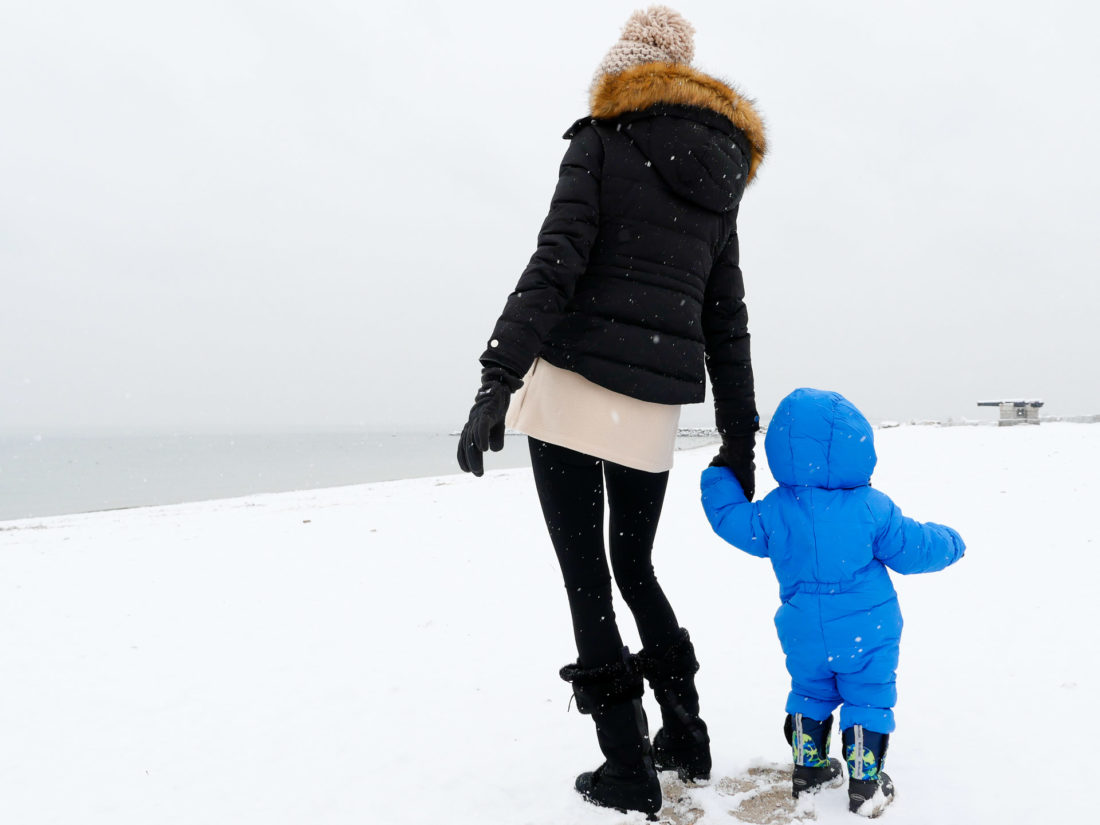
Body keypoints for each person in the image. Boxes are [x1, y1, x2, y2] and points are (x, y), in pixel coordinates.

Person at [455, 5, 766, 816]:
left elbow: (555, 262)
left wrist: (499, 374)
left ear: (621, 68)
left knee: (588, 575)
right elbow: (724, 314)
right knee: (634, 564)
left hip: (570, 388)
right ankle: (686, 732)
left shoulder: (600, 140)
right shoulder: (720, 175)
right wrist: (740, 435)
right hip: (655, 404)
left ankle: (627, 765)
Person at [700, 388, 965, 817]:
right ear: (855, 444)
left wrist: (717, 478)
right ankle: (865, 782)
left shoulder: (776, 510)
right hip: (868, 629)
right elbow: (914, 548)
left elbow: (732, 520)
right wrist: (951, 541)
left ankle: (810, 769)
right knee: (867, 696)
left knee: (810, 690)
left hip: (803, 628)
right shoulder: (871, 508)